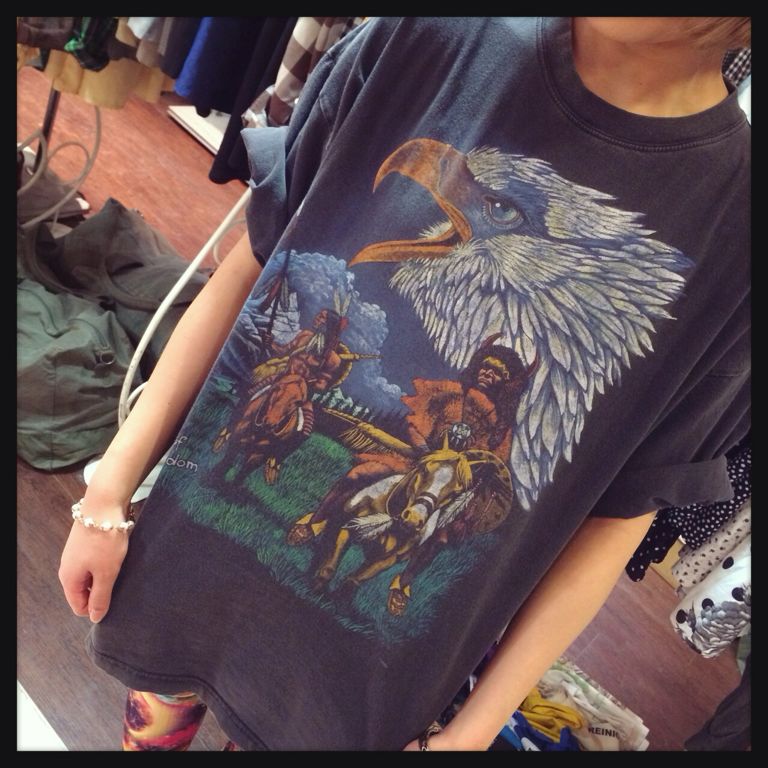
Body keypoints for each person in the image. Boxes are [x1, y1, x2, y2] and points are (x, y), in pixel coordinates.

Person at [59, 17, 750, 751]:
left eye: (497, 206)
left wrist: (473, 732)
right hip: (187, 558)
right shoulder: (427, 32)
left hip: (366, 674)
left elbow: (623, 513)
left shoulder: (737, 224)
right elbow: (255, 263)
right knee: (150, 731)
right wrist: (108, 493)